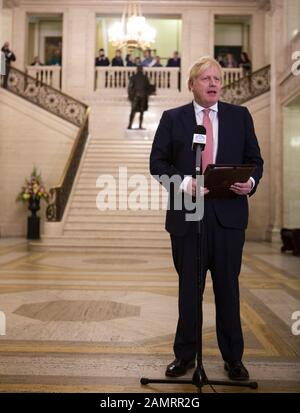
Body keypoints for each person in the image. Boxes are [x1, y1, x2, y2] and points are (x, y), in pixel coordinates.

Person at [150, 56, 263, 381]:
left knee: (228, 289)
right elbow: (157, 163)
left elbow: (255, 159)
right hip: (187, 217)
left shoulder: (240, 116)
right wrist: (185, 182)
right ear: (192, 85)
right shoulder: (174, 119)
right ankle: (184, 357)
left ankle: (233, 359)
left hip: (228, 218)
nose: (213, 83)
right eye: (205, 78)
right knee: (189, 290)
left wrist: (250, 182)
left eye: (217, 78)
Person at [127, 65, 151, 130]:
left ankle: (130, 125)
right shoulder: (145, 77)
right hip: (143, 96)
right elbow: (148, 87)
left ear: (137, 70)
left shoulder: (133, 77)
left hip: (135, 96)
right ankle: (140, 126)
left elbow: (129, 88)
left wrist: (130, 97)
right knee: (141, 111)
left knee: (133, 111)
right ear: (142, 70)